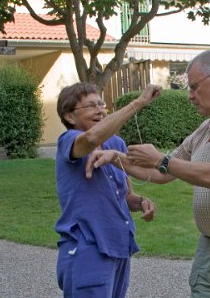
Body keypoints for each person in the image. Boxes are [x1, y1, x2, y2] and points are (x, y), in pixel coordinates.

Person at [86, 50, 210, 297]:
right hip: (208, 247)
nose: (189, 96)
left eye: (194, 87)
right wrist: (115, 159)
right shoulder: (207, 127)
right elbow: (161, 173)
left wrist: (160, 159)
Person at [55, 82, 161, 297]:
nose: (100, 110)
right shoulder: (69, 140)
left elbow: (126, 196)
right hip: (87, 247)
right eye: (91, 106)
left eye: (101, 104)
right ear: (69, 116)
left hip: (118, 245)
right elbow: (92, 138)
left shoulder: (117, 144)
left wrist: (141, 202)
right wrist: (139, 103)